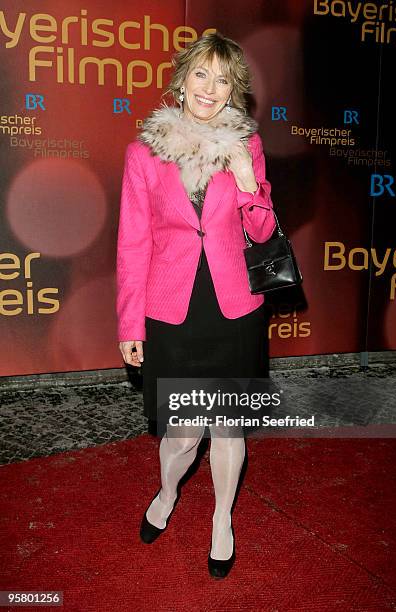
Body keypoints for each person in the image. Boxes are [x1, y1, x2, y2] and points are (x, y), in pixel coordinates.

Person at [116, 31, 276, 579]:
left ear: (234, 92)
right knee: (182, 435)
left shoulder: (245, 144)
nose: (211, 88)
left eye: (223, 79)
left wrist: (248, 178)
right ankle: (167, 492)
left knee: (228, 427)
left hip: (235, 307)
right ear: (181, 79)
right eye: (201, 74)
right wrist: (128, 321)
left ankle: (222, 520)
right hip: (173, 309)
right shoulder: (145, 152)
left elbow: (263, 230)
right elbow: (133, 242)